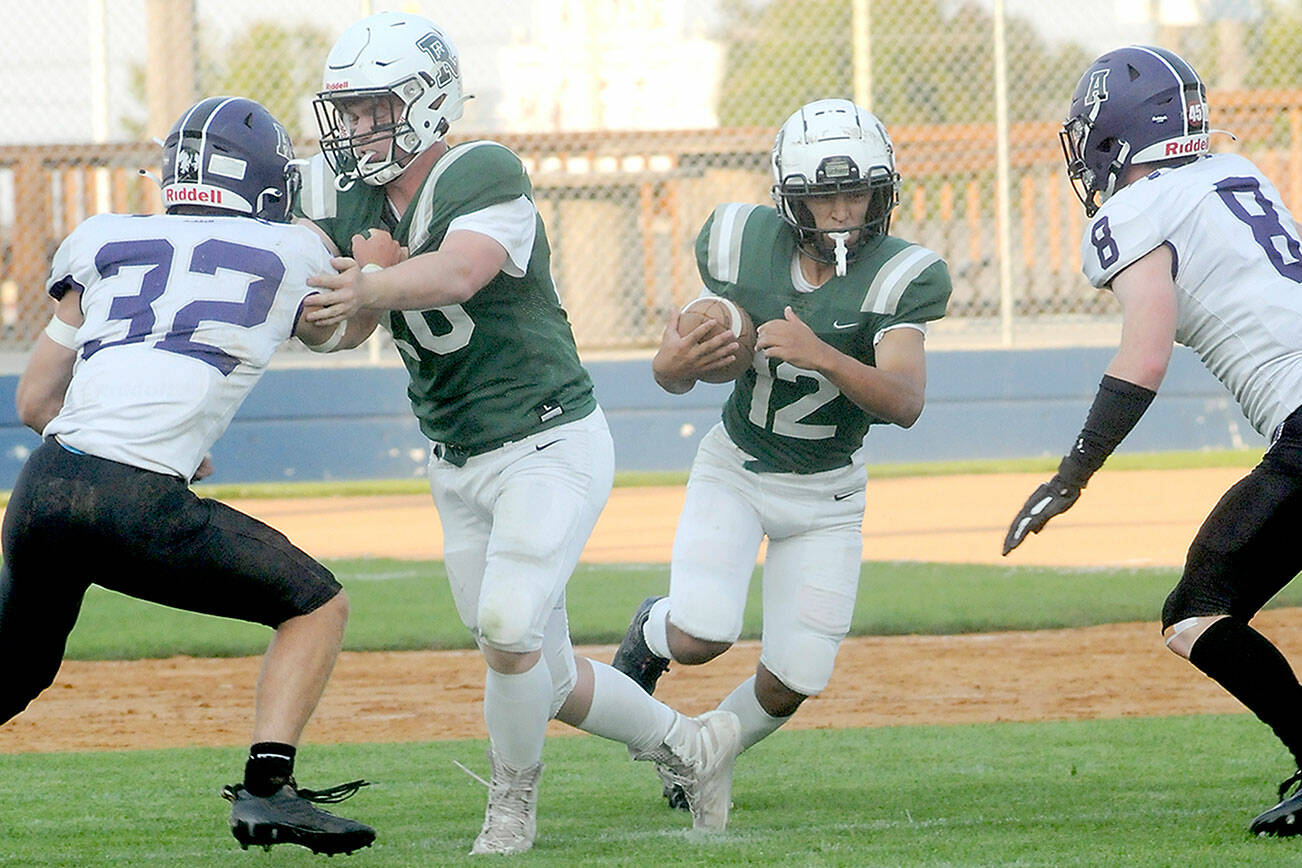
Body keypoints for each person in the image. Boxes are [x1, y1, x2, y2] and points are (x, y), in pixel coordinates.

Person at [297, 11, 742, 854]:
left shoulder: (481, 171)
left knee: (507, 629)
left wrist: (369, 280)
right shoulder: (351, 195)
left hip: (548, 441)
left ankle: (511, 807)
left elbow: (459, 270)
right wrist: (320, 304)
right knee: (548, 672)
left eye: (373, 110)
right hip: (458, 460)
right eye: (348, 112)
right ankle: (696, 747)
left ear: (426, 103)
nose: (357, 130)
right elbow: (342, 330)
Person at [0, 96, 378, 855]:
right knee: (317, 605)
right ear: (269, 180)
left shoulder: (103, 237)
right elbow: (341, 329)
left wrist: (130, 441)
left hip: (43, 488)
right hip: (135, 500)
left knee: (15, 672)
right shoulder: (295, 248)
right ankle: (270, 793)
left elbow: (36, 399)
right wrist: (374, 278)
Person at [610, 98, 952, 812]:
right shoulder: (742, 244)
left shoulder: (900, 275)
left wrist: (822, 355)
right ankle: (650, 633)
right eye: (824, 195)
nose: (841, 211)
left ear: (883, 190)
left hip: (828, 496)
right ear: (792, 198)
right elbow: (675, 374)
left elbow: (906, 401)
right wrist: (672, 360)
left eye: (854, 190)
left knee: (798, 675)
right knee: (701, 632)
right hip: (735, 470)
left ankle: (706, 750)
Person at [1001, 44, 1302, 837]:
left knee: (1197, 612)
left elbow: (1145, 350)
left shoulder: (1134, 210)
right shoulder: (1241, 175)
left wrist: (1073, 474)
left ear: (1111, 137)